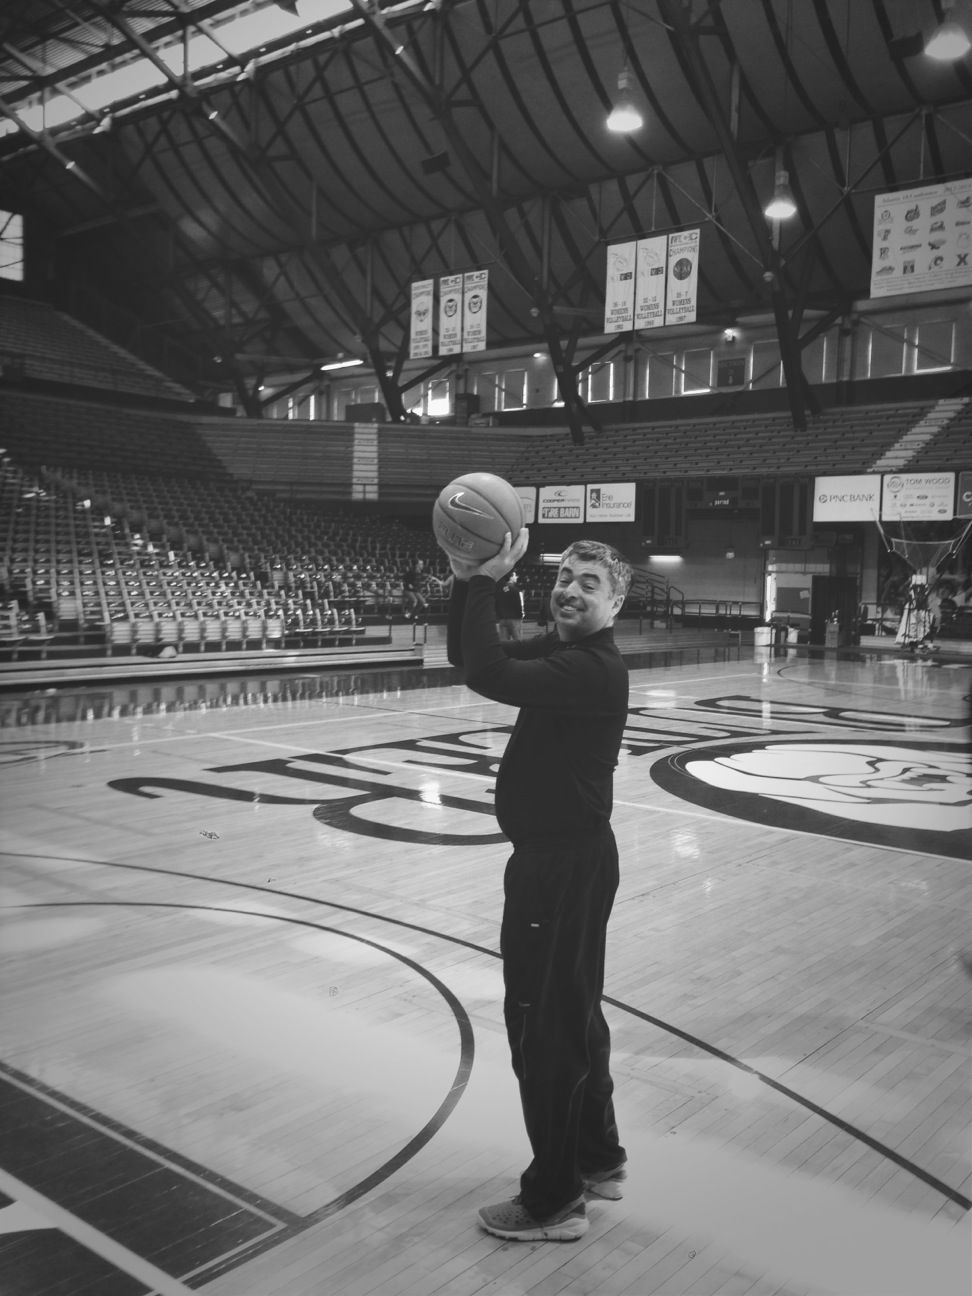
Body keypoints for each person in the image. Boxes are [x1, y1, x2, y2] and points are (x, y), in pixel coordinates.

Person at [446, 528, 631, 1243]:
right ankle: (599, 1159)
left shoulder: (590, 669)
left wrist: (488, 576)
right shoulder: (573, 656)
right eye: (565, 577)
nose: (570, 589)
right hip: (571, 860)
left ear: (615, 602)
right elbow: (470, 654)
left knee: (543, 1028)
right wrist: (468, 578)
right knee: (577, 1015)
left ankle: (554, 1201)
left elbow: (485, 672)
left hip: (561, 868)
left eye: (590, 583)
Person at [494, 569, 524, 640]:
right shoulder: (516, 590)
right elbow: (520, 605)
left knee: (504, 644)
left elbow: (496, 604)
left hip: (503, 619)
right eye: (515, 576)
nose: (516, 577)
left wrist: (499, 616)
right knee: (518, 643)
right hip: (515, 619)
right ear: (511, 577)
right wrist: (521, 616)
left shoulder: (501, 590)